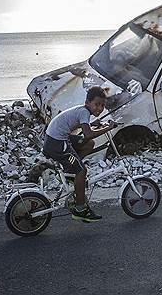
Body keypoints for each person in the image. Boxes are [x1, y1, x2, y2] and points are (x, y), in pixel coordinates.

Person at [42, 86, 118, 222]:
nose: (99, 109)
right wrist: (108, 127)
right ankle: (81, 209)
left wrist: (94, 124)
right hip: (56, 143)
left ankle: (71, 170)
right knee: (82, 171)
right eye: (97, 104)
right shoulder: (84, 112)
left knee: (89, 144)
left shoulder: (83, 111)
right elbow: (88, 134)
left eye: (102, 105)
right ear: (87, 102)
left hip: (55, 138)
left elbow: (85, 129)